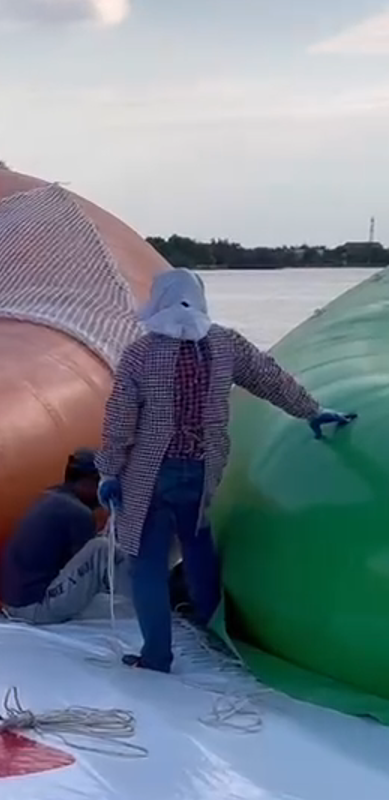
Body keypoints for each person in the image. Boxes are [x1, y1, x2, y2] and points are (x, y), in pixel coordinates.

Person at [97, 267, 357, 673]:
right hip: (203, 469)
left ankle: (157, 655)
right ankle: (213, 627)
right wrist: (312, 410)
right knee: (197, 543)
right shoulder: (225, 344)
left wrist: (109, 471)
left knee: (147, 562)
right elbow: (271, 379)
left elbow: (120, 420)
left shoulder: (140, 353)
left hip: (151, 473)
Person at [0, 449, 114, 624]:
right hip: (34, 608)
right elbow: (85, 568)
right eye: (100, 483)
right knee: (101, 548)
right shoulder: (78, 512)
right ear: (87, 481)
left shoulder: (50, 496)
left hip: (12, 603)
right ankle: (149, 597)